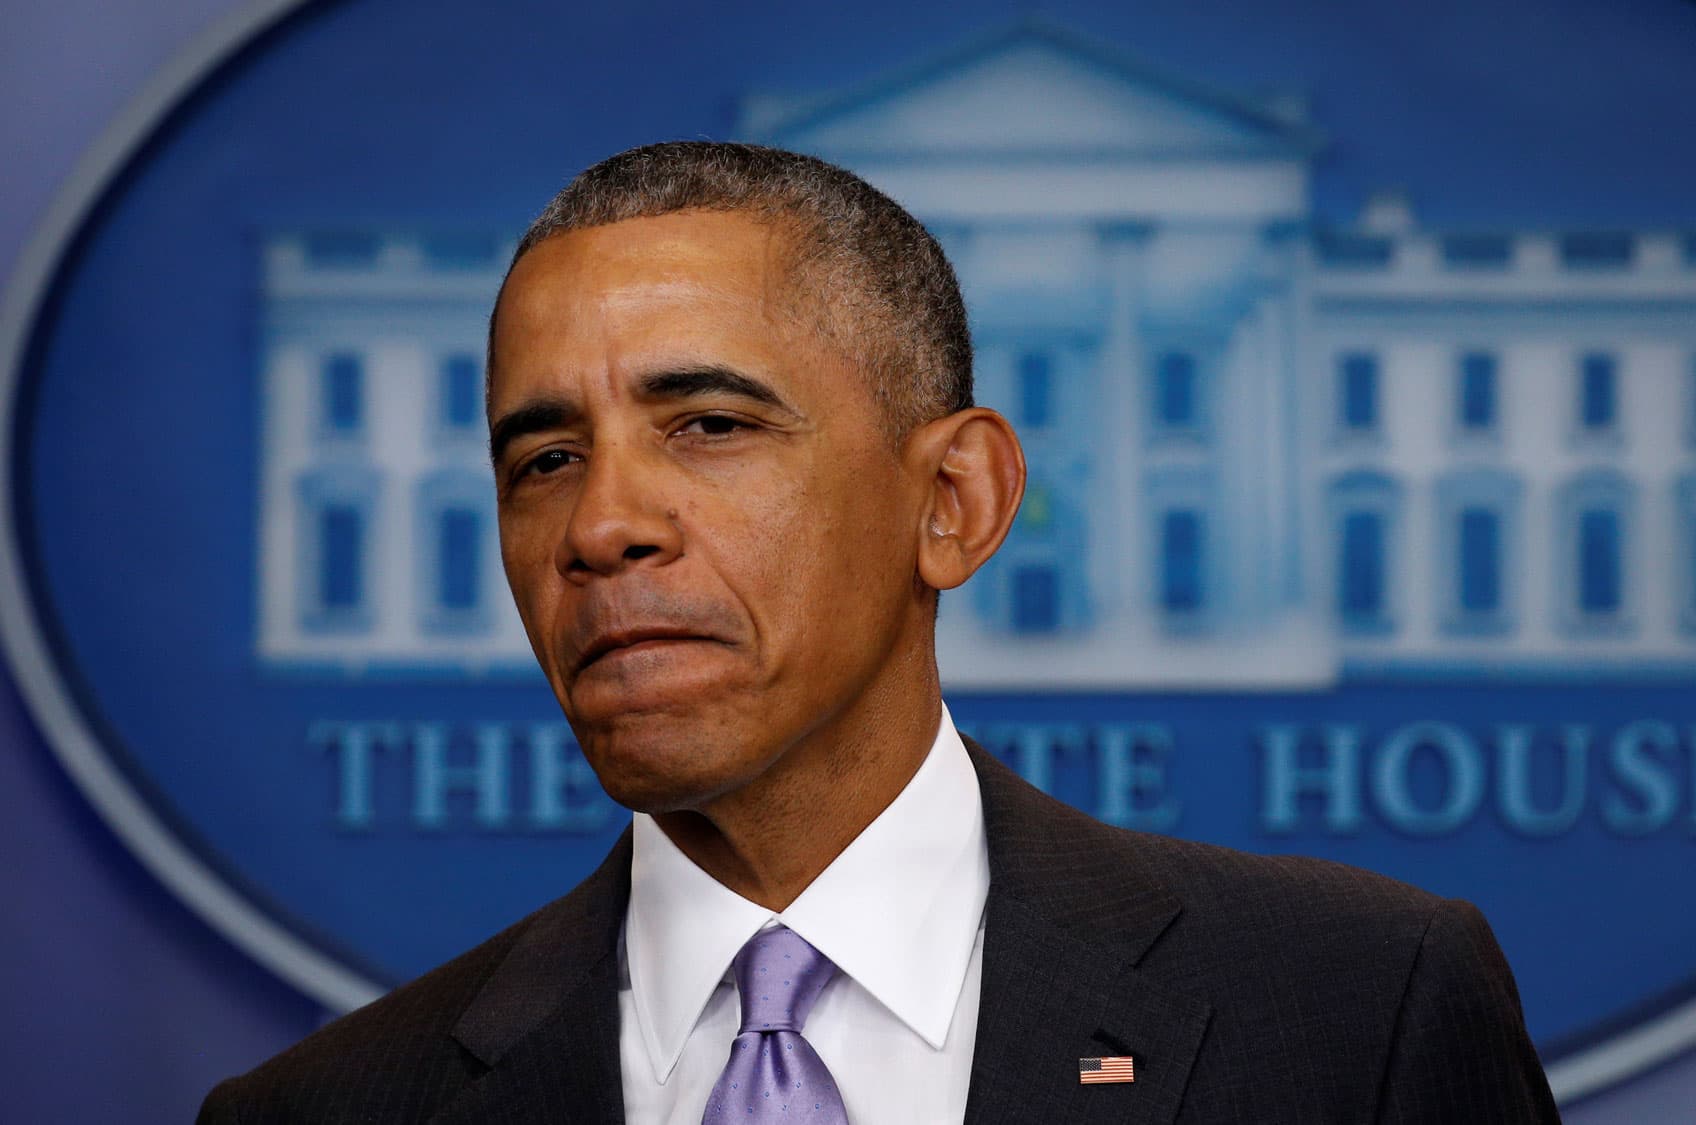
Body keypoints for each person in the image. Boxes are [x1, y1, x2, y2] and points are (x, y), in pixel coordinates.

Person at [199, 142, 1559, 1124]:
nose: (600, 526)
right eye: (544, 459)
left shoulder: (1358, 1014)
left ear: (954, 502)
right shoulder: (323, 1111)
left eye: (709, 425)